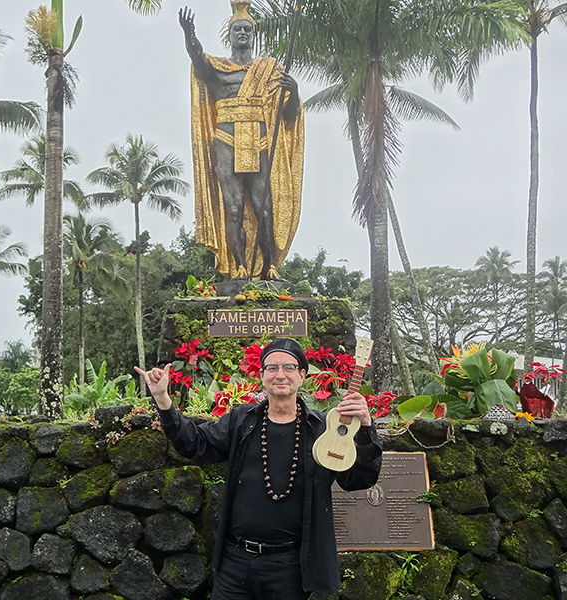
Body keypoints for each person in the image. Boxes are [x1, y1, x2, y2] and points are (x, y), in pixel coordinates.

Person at [136, 338, 382, 599]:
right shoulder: (241, 420)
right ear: (262, 375)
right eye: (271, 368)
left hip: (291, 568)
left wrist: (366, 427)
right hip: (235, 564)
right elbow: (194, 444)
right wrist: (163, 399)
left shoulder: (323, 429)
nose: (280, 374)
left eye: (289, 367)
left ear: (301, 376)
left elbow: (358, 479)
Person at [181, 1, 305, 280]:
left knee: (263, 206)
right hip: (226, 139)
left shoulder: (270, 70)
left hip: (259, 139)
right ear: (230, 34)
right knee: (234, 206)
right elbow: (198, 59)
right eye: (237, 29)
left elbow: (290, 113)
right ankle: (239, 267)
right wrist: (190, 35)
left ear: (253, 35)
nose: (242, 33)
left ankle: (269, 266)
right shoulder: (218, 69)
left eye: (247, 29)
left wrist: (294, 91)